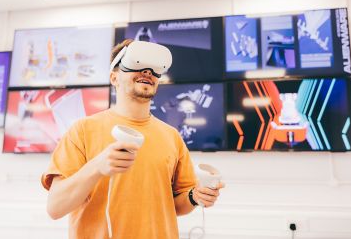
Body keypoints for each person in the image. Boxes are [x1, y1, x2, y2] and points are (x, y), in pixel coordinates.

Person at [41, 39, 225, 239]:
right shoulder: (82, 131)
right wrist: (97, 167)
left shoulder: (171, 136)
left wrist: (194, 196)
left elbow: (175, 204)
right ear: (114, 77)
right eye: (136, 64)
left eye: (154, 69)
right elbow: (55, 207)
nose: (147, 72)